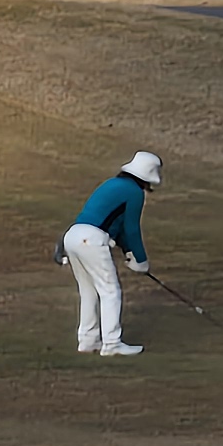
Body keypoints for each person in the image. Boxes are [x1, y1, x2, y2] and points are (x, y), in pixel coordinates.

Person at [63, 151, 164, 356]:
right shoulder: (135, 192)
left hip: (72, 236)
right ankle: (112, 344)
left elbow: (115, 226)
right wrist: (141, 259)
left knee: (89, 291)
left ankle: (88, 341)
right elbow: (131, 228)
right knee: (110, 291)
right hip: (91, 239)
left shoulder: (112, 183)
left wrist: (129, 253)